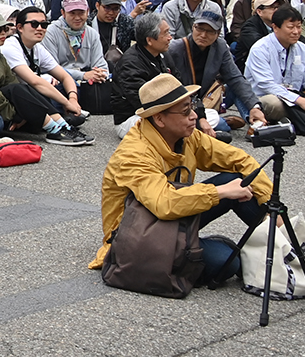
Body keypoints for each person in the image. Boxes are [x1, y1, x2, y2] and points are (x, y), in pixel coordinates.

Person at [88, 73, 277, 288]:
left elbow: (240, 159)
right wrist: (220, 193)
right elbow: (164, 204)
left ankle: (285, 245)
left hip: (171, 218)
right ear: (159, 119)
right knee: (229, 262)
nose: (194, 116)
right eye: (185, 110)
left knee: (238, 180)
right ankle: (239, 252)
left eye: (193, 106)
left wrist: (271, 210)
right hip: (136, 237)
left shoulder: (187, 136)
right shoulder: (134, 154)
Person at [0, 8, 88, 142]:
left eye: (5, 29)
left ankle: (62, 126)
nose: (3, 33)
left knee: (24, 88)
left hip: (1, 104)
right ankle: (54, 130)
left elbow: (12, 82)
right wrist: (19, 115)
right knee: (15, 96)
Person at [165, 5, 264, 140]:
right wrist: (200, 116)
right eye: (200, 28)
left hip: (209, 97)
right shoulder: (175, 49)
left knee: (236, 86)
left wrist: (254, 106)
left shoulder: (220, 46)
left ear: (218, 34)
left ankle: (255, 124)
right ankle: (223, 121)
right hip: (186, 102)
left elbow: (235, 77)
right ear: (193, 27)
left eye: (210, 31)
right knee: (221, 127)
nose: (203, 35)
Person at [0, 6, 92, 140]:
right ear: (19, 27)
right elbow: (34, 81)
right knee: (35, 87)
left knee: (60, 89)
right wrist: (66, 103)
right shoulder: (10, 46)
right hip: (12, 99)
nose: (40, 28)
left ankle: (62, 123)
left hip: (31, 97)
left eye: (44, 24)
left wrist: (73, 99)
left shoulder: (37, 48)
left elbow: (65, 76)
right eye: (34, 24)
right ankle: (57, 129)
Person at [245, 3, 305, 131]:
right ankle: (302, 115)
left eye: (299, 27)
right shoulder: (260, 49)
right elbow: (266, 85)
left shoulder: (302, 49)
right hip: (267, 97)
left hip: (294, 95)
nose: (296, 32)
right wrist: (300, 101)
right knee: (273, 103)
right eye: (291, 27)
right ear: (275, 27)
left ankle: (298, 116)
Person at [44, 0, 112, 115]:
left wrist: (99, 73)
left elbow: (101, 63)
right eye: (72, 13)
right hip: (62, 80)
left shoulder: (92, 33)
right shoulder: (51, 32)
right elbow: (51, 67)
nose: (77, 18)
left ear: (87, 12)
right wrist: (83, 75)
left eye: (81, 13)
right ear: (63, 13)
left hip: (87, 83)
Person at [110, 13, 172, 137]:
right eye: (165, 33)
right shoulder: (130, 64)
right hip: (134, 117)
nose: (170, 37)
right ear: (149, 40)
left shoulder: (162, 54)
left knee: (207, 116)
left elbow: (179, 84)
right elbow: (143, 102)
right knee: (174, 124)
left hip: (163, 110)